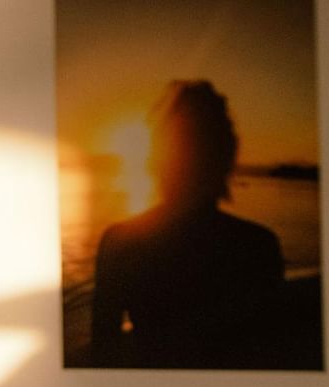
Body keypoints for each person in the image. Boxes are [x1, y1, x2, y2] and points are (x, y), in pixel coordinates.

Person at [89, 81, 285, 369]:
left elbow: (103, 351)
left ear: (156, 157)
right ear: (227, 156)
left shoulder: (120, 242)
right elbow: (267, 352)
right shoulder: (258, 246)